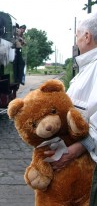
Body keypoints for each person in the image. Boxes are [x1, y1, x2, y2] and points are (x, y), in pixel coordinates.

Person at [44, 12, 97, 205]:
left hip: (91, 165)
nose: (76, 40)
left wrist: (73, 151)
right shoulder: (88, 66)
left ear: (87, 37)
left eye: (77, 35)